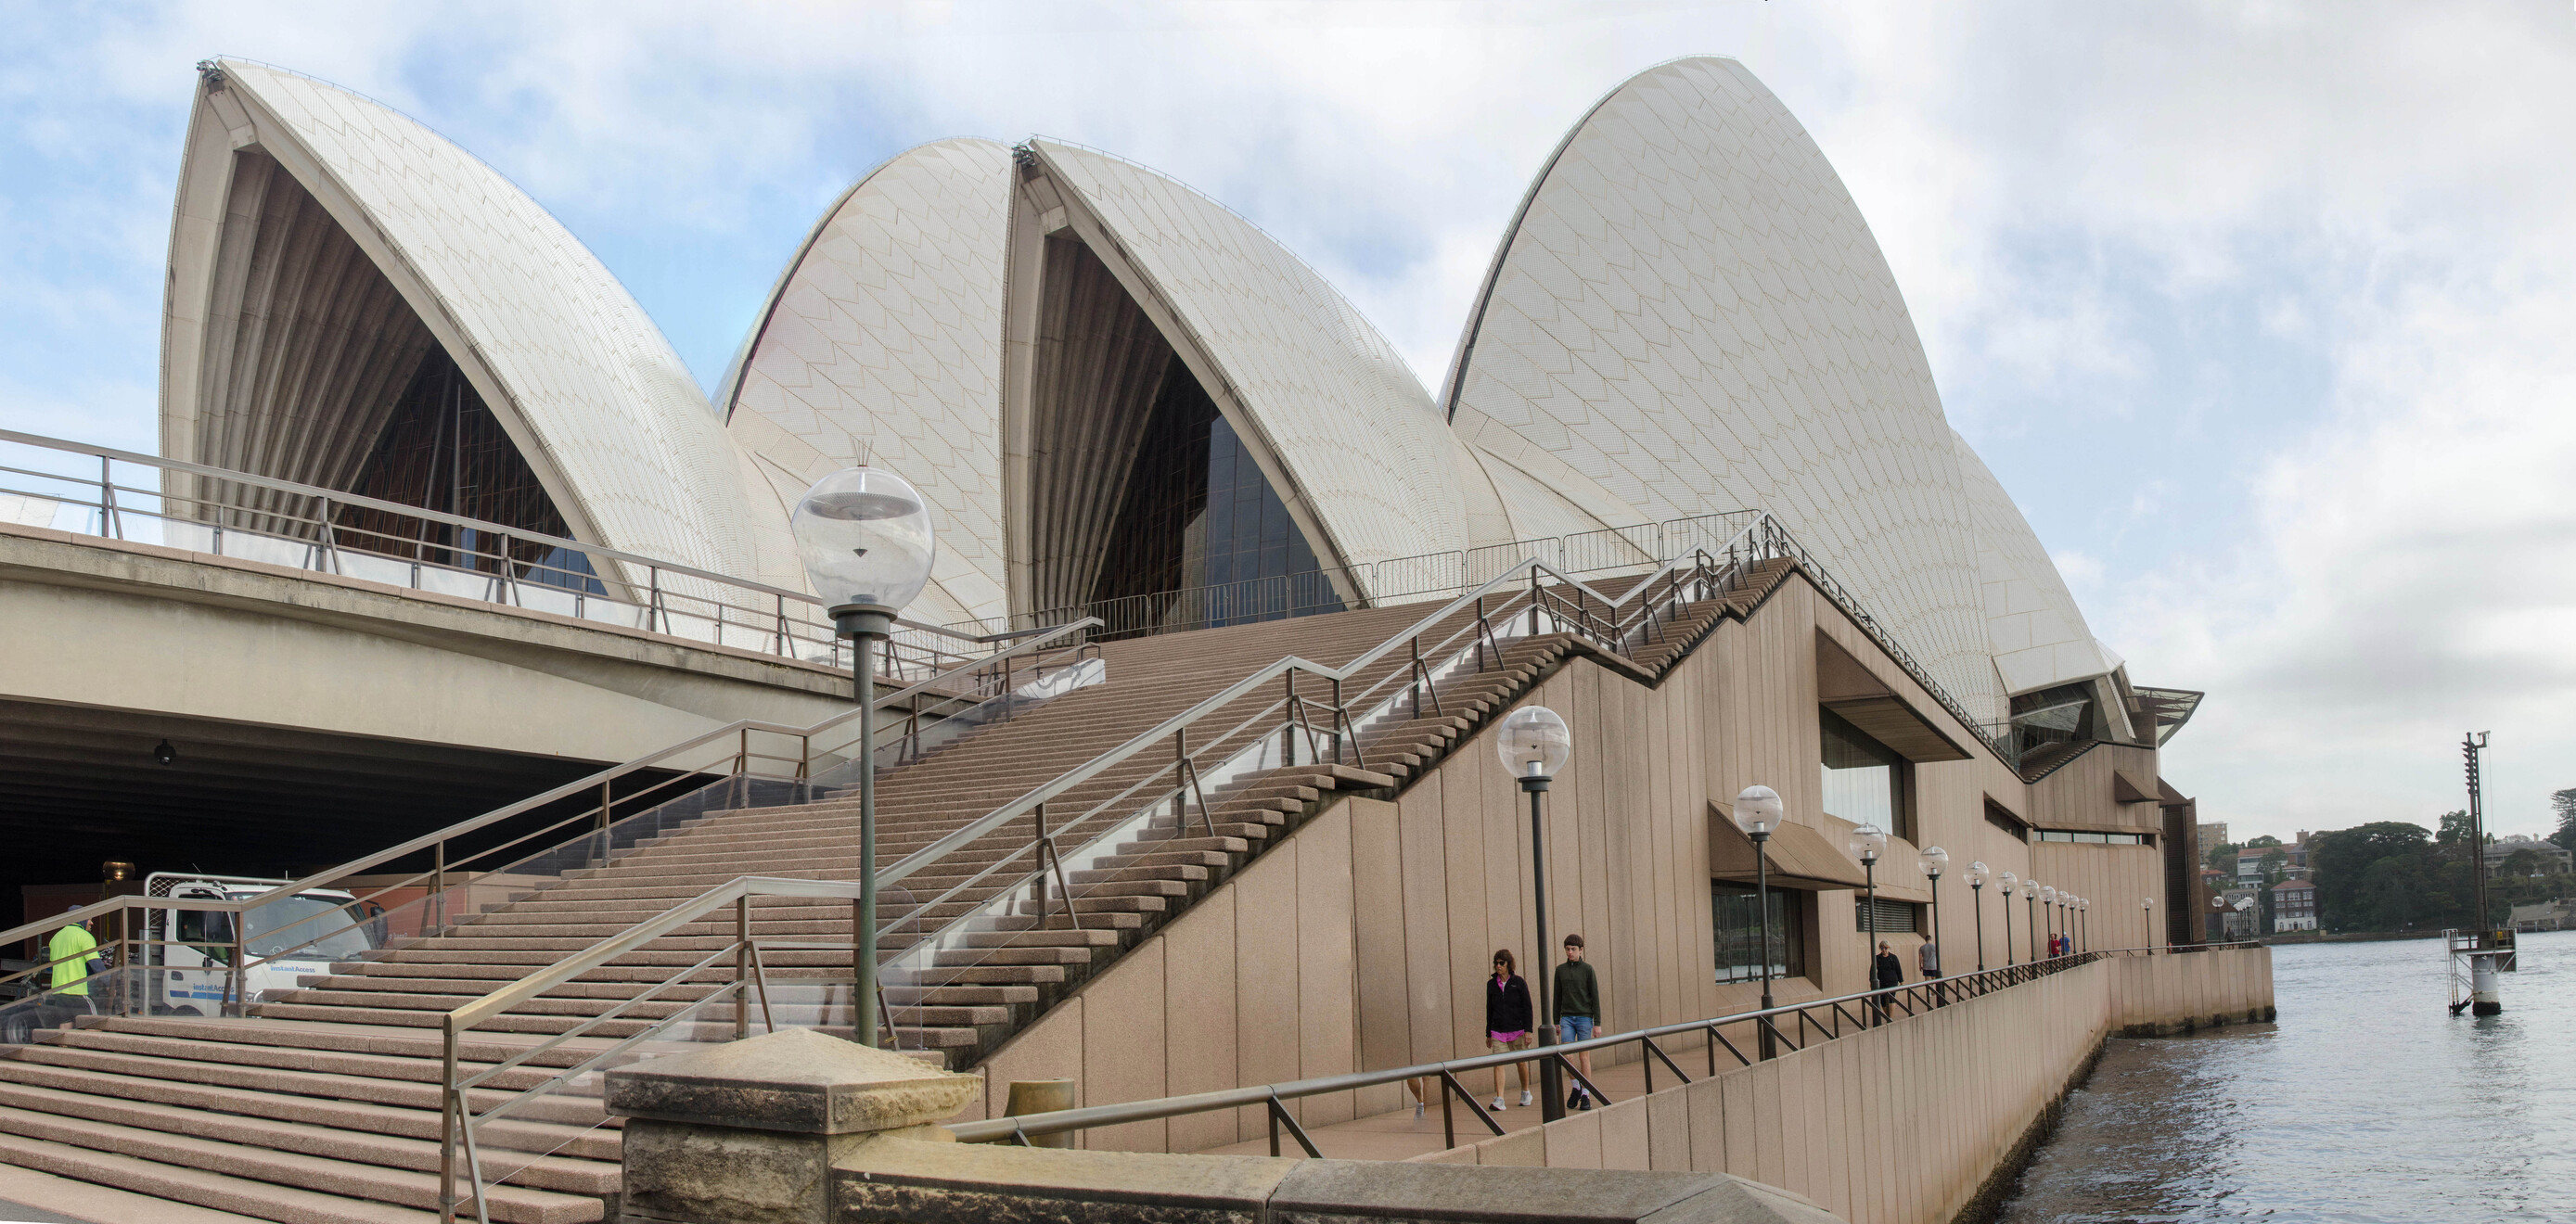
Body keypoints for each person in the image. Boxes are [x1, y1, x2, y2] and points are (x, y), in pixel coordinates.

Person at [1553, 934, 1601, 1111]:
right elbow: (1556, 996)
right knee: (1567, 1055)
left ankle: (1586, 1094)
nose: (1570, 952)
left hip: (1584, 1018)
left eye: (1573, 949)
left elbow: (1595, 997)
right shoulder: (1560, 970)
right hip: (1566, 1018)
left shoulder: (1588, 970)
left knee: (1583, 1056)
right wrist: (1555, 1021)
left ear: (1581, 950)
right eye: (1567, 949)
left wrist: (1597, 1023)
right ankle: (1575, 1087)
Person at [1484, 949, 1536, 1111]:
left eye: (1501, 963)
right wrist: (1488, 1034)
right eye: (1496, 963)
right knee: (1498, 1064)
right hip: (1498, 1031)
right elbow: (1489, 1009)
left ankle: (1525, 1092)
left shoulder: (1519, 982)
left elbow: (1528, 1007)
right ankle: (1499, 1099)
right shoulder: (1491, 985)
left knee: (1520, 1063)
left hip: (1518, 1030)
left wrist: (1528, 1030)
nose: (1498, 966)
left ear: (1508, 964)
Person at [48, 906, 98, 1017]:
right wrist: (110, 982)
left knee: (66, 1024)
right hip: (76, 990)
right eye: (89, 919)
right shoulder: (84, 936)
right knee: (94, 1024)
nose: (91, 923)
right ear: (82, 919)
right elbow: (96, 964)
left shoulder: (56, 937)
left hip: (58, 990)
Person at [1870, 939, 1903, 1023]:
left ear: (1888, 948)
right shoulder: (1877, 958)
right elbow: (1872, 970)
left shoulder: (1893, 958)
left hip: (1892, 981)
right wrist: (1871, 981)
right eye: (1882, 948)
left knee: (1891, 998)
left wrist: (1901, 981)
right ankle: (1887, 1015)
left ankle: (1890, 1017)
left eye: (1885, 948)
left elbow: (1898, 969)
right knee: (1883, 1000)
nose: (1883, 950)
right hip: (1882, 981)